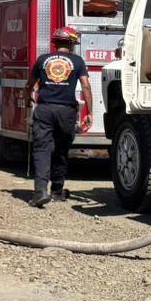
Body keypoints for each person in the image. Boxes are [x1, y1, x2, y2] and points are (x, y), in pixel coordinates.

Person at [25, 26, 92, 208]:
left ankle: (40, 192)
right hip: (66, 112)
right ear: (71, 43)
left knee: (42, 149)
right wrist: (90, 112)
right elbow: (85, 86)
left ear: (55, 42)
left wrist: (26, 100)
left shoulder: (42, 60)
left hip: (45, 109)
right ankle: (56, 191)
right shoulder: (77, 61)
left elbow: (30, 84)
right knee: (61, 150)